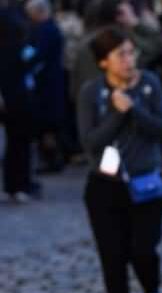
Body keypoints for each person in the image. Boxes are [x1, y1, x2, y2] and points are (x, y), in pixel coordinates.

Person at [77, 26, 162, 293]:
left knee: (143, 250)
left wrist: (133, 108)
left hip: (147, 183)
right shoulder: (92, 92)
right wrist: (116, 113)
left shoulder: (149, 85)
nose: (129, 59)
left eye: (132, 52)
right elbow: (90, 142)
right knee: (112, 256)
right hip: (105, 186)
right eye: (121, 54)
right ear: (104, 62)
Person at [0, 0, 37, 204]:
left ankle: (14, 184)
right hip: (16, 95)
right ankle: (19, 184)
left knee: (16, 142)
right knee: (19, 141)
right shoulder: (15, 43)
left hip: (14, 94)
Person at [26, 0, 67, 173]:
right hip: (50, 81)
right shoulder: (49, 28)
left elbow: (38, 54)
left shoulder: (46, 30)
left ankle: (52, 159)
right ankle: (52, 158)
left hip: (48, 84)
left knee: (48, 125)